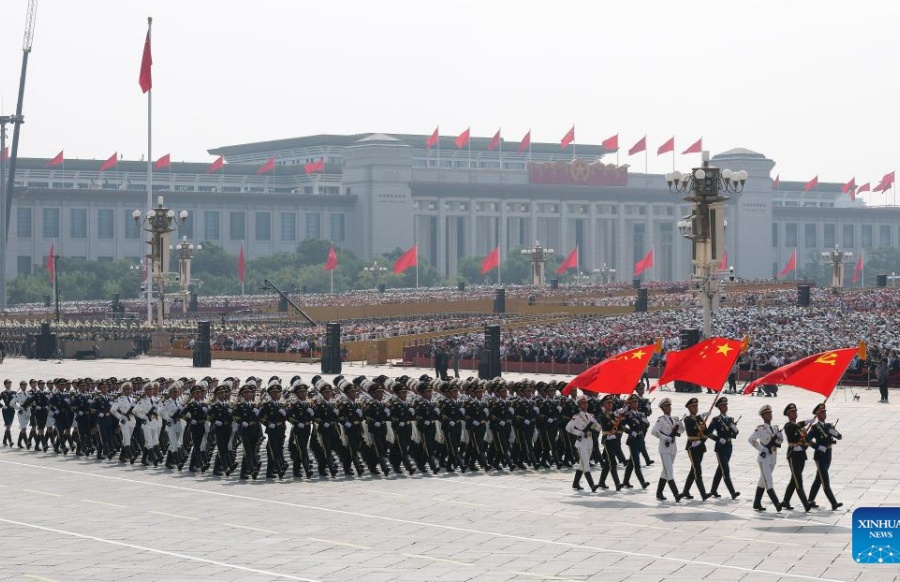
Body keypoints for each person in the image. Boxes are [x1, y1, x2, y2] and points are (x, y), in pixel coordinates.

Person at [807, 403, 843, 511]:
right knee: (825, 479)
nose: (824, 414)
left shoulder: (829, 426)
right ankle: (833, 503)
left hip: (828, 455)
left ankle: (810, 500)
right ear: (817, 414)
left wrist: (834, 433)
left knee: (819, 478)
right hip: (820, 455)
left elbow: (839, 437)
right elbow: (807, 440)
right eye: (822, 412)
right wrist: (818, 447)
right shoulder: (815, 427)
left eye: (825, 412)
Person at [748, 403, 783, 512]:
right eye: (767, 413)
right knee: (768, 480)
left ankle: (757, 503)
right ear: (763, 416)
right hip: (763, 459)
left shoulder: (775, 428)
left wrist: (780, 438)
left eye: (770, 413)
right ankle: (777, 503)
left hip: (773, 457)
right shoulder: (760, 429)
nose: (770, 415)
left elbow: (779, 442)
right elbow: (751, 439)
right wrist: (762, 449)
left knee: (762, 481)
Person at [564, 393, 601, 492]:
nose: (585, 404)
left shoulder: (590, 416)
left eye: (586, 403)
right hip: (581, 443)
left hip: (590, 441)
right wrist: (579, 433)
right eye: (583, 403)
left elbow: (598, 428)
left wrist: (596, 425)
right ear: (579, 405)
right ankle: (592, 485)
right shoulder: (576, 417)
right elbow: (568, 428)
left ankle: (575, 483)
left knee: (582, 464)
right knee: (586, 464)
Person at [650, 397, 684, 502]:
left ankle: (659, 493)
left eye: (669, 406)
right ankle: (676, 494)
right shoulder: (661, 420)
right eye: (666, 406)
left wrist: (681, 425)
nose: (669, 408)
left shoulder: (674, 419)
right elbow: (654, 431)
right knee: (669, 471)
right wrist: (665, 438)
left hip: (673, 448)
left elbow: (681, 431)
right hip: (664, 448)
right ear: (662, 408)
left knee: (665, 471)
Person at [707, 397, 740, 499]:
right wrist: (718, 439)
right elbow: (708, 433)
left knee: (720, 469)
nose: (725, 407)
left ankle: (713, 490)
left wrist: (735, 428)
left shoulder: (730, 420)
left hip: (729, 446)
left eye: (726, 405)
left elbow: (735, 433)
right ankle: (732, 492)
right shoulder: (716, 420)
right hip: (720, 447)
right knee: (725, 469)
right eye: (723, 405)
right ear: (719, 407)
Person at [781, 402, 812, 512]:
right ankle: (806, 504)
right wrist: (805, 422)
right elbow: (794, 427)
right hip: (793, 455)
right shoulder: (788, 425)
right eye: (792, 412)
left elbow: (807, 441)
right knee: (798, 480)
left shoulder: (802, 428)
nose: (795, 413)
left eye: (795, 411)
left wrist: (804, 447)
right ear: (788, 414)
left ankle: (785, 501)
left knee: (794, 480)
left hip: (801, 455)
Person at [681, 397, 712, 501]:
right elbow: (690, 434)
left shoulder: (700, 419)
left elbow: (706, 433)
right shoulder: (687, 419)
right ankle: (703, 494)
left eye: (696, 406)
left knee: (693, 470)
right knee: (697, 470)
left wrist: (702, 437)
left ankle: (685, 491)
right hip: (692, 448)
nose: (695, 408)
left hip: (700, 447)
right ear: (689, 408)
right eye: (693, 406)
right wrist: (699, 435)